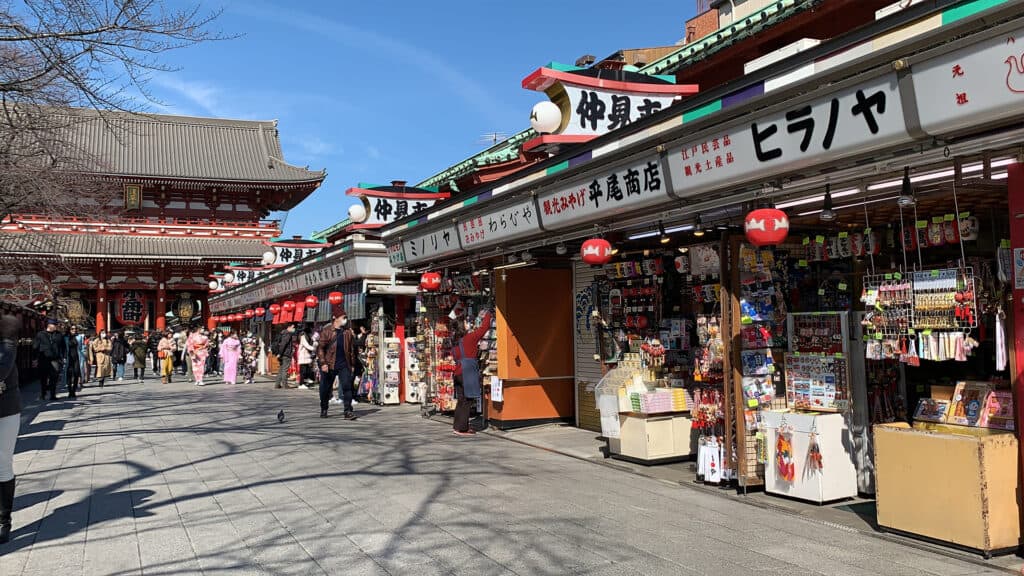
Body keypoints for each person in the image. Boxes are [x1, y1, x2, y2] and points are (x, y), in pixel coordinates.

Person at [451, 309, 493, 437]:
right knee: (467, 400)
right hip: (467, 372)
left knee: (461, 400)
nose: (467, 324)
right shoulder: (469, 338)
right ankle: (462, 428)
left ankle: (458, 426)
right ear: (462, 327)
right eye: (465, 323)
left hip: (458, 372)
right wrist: (489, 314)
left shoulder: (455, 342)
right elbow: (484, 328)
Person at [1, 313, 22, 544]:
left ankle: (3, 521)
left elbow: (2, 369)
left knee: (2, 463)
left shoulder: (6, 340)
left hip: (4, 409)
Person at [317, 309, 356, 419]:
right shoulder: (327, 331)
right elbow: (320, 348)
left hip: (344, 364)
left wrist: (352, 365)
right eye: (343, 317)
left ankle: (348, 410)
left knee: (347, 387)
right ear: (336, 318)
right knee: (326, 388)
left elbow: (352, 350)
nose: (345, 320)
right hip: (330, 364)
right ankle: (324, 408)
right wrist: (323, 363)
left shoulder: (347, 332)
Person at [32, 319, 66, 401]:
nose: (56, 326)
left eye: (56, 325)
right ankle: (43, 393)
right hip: (43, 359)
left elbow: (63, 347)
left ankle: (53, 394)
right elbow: (35, 347)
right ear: (49, 325)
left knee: (54, 377)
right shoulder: (40, 334)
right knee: (43, 377)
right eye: (54, 325)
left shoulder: (59, 335)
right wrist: (35, 359)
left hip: (55, 359)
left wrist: (63, 357)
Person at [273, 324, 297, 390]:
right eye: (293, 327)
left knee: (281, 369)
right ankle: (285, 385)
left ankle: (277, 384)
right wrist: (280, 353)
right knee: (285, 370)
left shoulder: (283, 333)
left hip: (282, 354)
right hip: (285, 354)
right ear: (289, 327)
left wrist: (279, 354)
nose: (294, 329)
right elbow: (283, 344)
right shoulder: (287, 334)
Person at [64, 325, 82, 398]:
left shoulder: (78, 337)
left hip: (77, 358)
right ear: (69, 329)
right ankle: (70, 390)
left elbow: (81, 348)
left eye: (75, 329)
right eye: (72, 329)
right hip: (69, 358)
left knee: (76, 374)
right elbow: (63, 348)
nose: (74, 330)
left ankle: (74, 390)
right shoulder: (65, 338)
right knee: (69, 374)